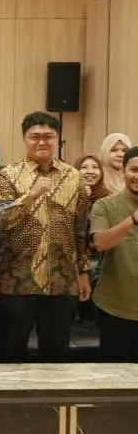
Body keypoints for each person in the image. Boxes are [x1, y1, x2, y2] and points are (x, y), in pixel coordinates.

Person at [0, 111, 91, 362]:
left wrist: (83, 272)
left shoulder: (74, 177)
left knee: (56, 357)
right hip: (16, 281)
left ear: (57, 138)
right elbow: (1, 220)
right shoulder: (7, 175)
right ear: (24, 139)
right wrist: (31, 196)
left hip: (62, 281)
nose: (42, 142)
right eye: (34, 136)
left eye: (48, 136)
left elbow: (81, 229)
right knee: (11, 355)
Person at [89, 147, 138, 360]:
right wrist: (132, 220)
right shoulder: (105, 205)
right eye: (134, 170)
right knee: (115, 373)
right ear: (122, 171)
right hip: (115, 308)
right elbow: (100, 243)